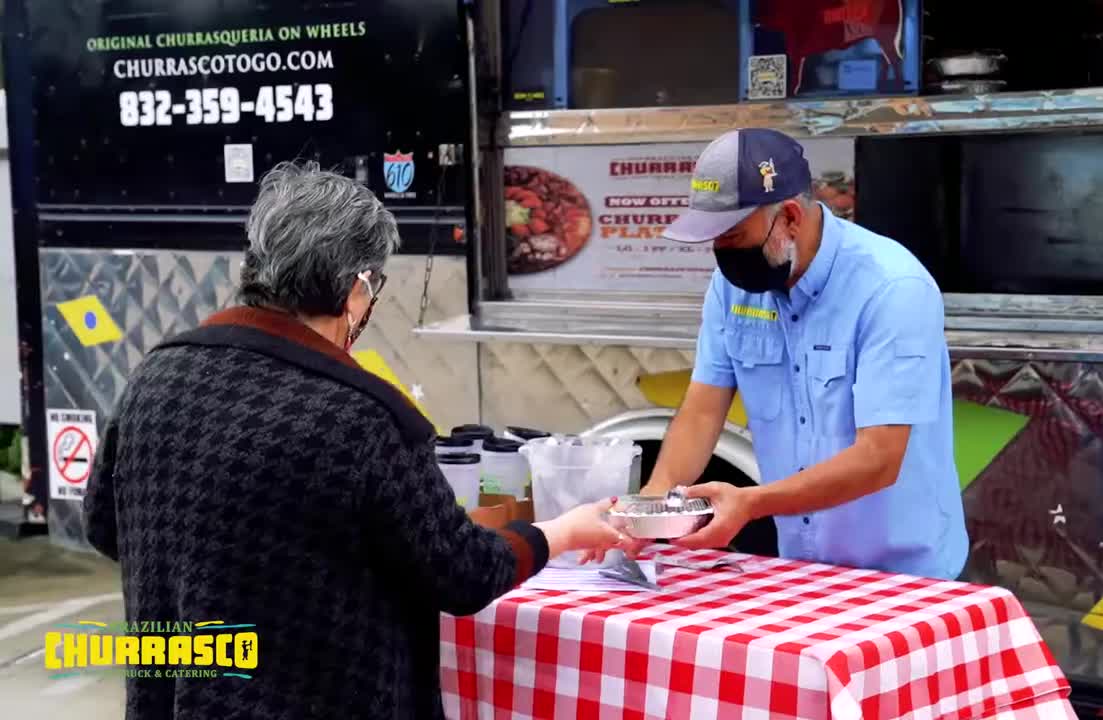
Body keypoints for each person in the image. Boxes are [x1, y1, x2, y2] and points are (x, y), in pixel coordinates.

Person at [84, 162, 626, 720]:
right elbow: (461, 573)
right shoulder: (363, 415)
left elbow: (106, 527)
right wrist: (557, 532)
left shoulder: (156, 376)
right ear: (357, 289)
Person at [633, 128, 968, 580]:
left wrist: (750, 503)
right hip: (799, 567)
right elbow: (701, 411)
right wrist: (652, 507)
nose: (722, 254)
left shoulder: (892, 289)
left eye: (732, 235)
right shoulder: (733, 290)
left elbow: (879, 457)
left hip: (901, 575)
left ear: (790, 217)